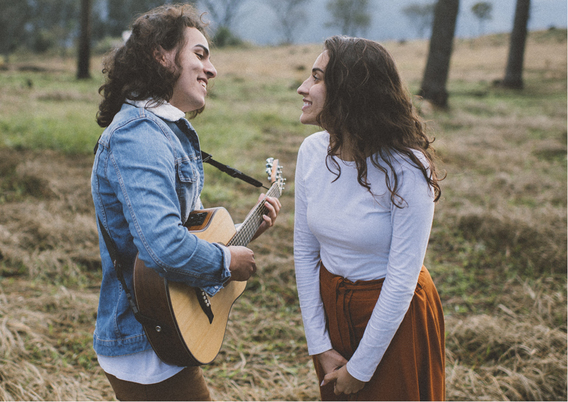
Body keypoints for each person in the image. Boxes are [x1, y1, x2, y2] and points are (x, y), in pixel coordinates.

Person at [90, 4, 281, 400]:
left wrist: (249, 232)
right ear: (162, 55)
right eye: (200, 53)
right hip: (144, 341)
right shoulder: (138, 137)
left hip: (162, 328)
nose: (211, 70)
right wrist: (227, 262)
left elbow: (182, 230)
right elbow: (162, 247)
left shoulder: (162, 131)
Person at [293, 36, 445, 400]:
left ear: (350, 90)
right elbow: (304, 252)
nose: (303, 87)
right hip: (333, 311)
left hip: (395, 317)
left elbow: (401, 280)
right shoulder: (312, 152)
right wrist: (319, 343)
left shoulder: (407, 168)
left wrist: (361, 369)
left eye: (316, 77)